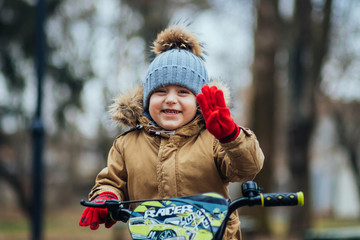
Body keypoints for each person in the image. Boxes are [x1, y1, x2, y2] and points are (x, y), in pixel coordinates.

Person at [79, 25, 264, 239]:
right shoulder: (127, 145)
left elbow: (247, 169)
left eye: (183, 92)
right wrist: (106, 196)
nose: (170, 99)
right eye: (160, 91)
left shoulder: (213, 139)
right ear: (147, 99)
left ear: (199, 101)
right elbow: (112, 181)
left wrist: (231, 137)